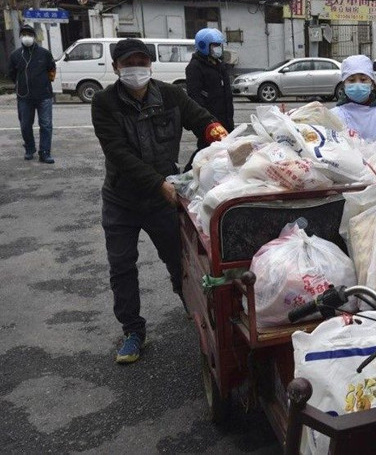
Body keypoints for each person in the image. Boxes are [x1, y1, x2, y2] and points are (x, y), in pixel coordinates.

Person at [91, 38, 228, 364]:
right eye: (128, 63)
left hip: (162, 199)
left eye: (141, 62)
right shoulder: (104, 102)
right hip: (122, 199)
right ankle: (133, 331)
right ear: (116, 68)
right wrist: (159, 185)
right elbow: (118, 154)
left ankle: (189, 303)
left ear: (150, 65)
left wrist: (218, 132)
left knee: (178, 259)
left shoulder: (170, 94)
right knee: (122, 265)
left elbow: (201, 118)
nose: (135, 68)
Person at [184, 28, 234, 171]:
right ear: (203, 46)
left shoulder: (219, 65)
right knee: (205, 150)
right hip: (208, 121)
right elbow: (195, 97)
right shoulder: (195, 67)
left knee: (222, 153)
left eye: (219, 45)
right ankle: (188, 174)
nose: (218, 49)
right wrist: (207, 121)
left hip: (225, 119)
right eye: (215, 46)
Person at [8, 24, 57, 163]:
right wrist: (21, 84)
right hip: (24, 97)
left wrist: (45, 83)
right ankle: (30, 148)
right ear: (20, 37)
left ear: (34, 37)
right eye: (24, 34)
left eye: (29, 34)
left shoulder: (44, 53)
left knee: (46, 125)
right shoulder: (16, 55)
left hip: (44, 96)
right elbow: (12, 74)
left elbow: (52, 70)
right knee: (25, 125)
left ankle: (45, 152)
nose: (26, 37)